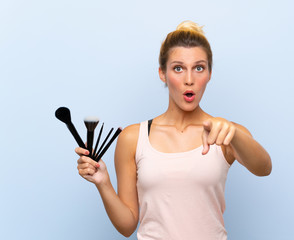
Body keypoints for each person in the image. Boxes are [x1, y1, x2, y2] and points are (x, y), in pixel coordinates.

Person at [75, 20, 272, 239]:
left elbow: (263, 168)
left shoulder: (225, 133)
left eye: (199, 68)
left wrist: (233, 134)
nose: (189, 80)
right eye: (178, 68)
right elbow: (128, 225)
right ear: (162, 73)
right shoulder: (133, 137)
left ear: (209, 73)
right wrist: (103, 183)